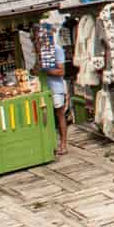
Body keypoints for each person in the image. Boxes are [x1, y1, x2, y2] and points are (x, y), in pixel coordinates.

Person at [42, 24, 70, 154]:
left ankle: (63, 145)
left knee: (60, 116)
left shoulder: (57, 49)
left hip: (56, 88)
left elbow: (61, 71)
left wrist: (46, 72)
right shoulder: (44, 51)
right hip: (46, 88)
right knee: (48, 117)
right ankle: (52, 144)